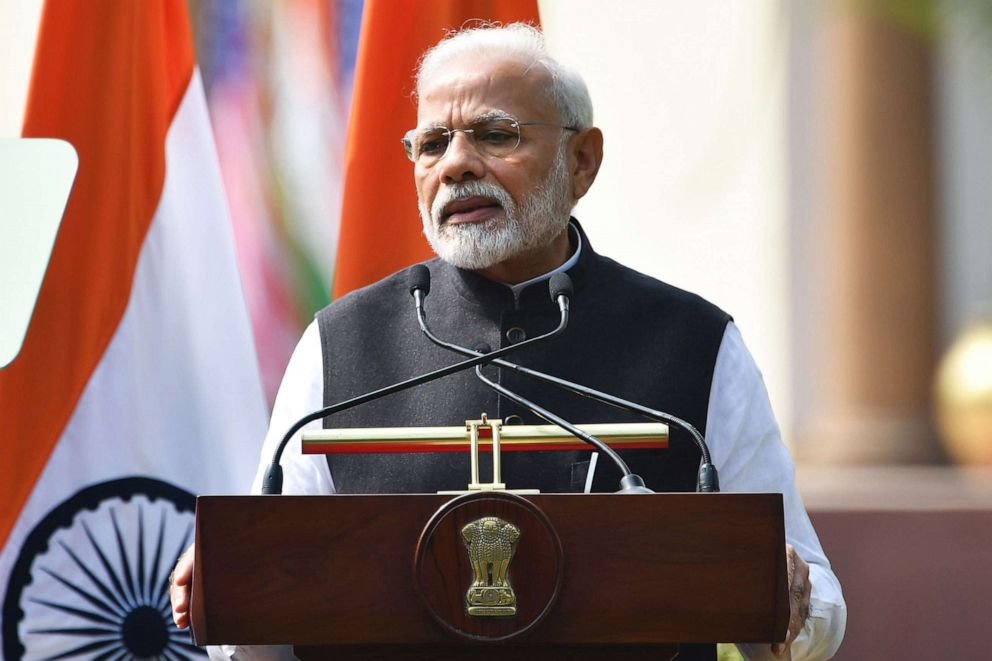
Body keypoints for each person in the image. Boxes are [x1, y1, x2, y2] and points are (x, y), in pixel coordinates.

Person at [171, 23, 846, 660]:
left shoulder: (694, 342)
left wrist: (783, 593)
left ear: (583, 160)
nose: (457, 164)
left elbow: (816, 603)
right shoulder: (340, 343)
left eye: (495, 135)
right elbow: (262, 616)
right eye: (432, 144)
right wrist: (228, 586)